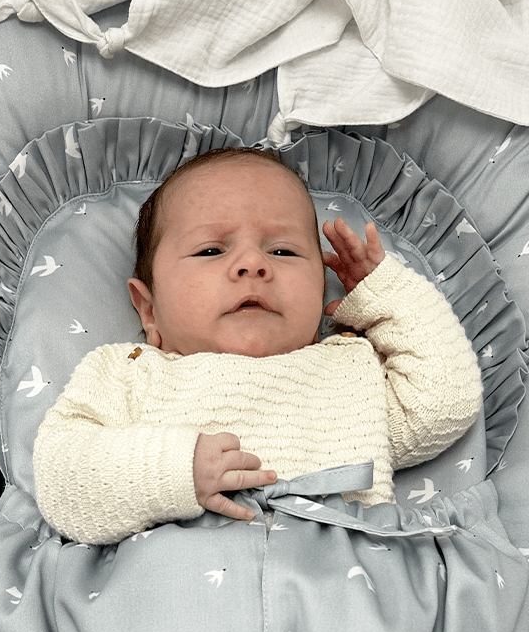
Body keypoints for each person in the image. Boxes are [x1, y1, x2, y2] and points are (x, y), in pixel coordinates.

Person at [33, 147, 483, 544]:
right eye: (211, 251)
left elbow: (445, 404)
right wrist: (174, 470)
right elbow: (60, 477)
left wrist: (383, 294)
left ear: (320, 290)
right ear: (149, 311)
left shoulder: (350, 372)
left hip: (342, 585)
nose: (252, 264)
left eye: (283, 252)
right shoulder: (130, 373)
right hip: (181, 588)